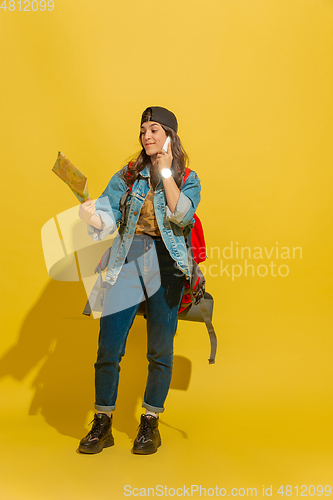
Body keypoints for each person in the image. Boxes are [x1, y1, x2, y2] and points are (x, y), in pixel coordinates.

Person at [77, 106, 201, 455]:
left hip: (167, 263)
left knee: (160, 349)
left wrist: (165, 173)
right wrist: (93, 216)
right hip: (128, 258)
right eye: (143, 130)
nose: (147, 135)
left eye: (155, 130)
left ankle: (150, 421)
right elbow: (108, 215)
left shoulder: (188, 177)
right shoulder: (128, 176)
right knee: (108, 348)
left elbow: (182, 214)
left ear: (170, 137)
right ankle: (103, 423)